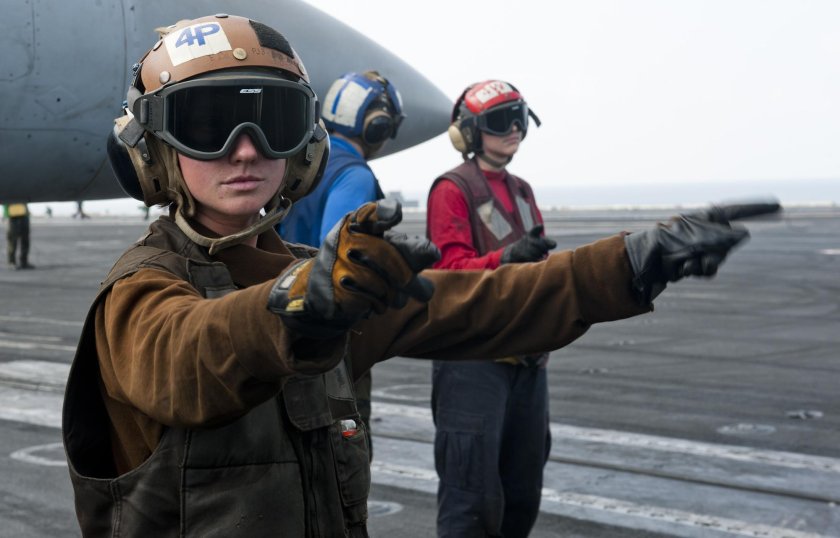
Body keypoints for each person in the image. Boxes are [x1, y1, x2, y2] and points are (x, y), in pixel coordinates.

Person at [61, 14, 761, 537]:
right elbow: (186, 356)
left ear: (303, 146)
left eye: (270, 121)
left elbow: (483, 303)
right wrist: (299, 308)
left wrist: (632, 261)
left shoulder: (333, 287)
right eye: (207, 123)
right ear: (152, 152)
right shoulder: (140, 293)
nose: (244, 150)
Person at [425, 79, 558, 537]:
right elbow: (448, 271)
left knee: (522, 495)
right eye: (501, 121)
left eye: (520, 119)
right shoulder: (451, 188)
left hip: (527, 359)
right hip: (473, 362)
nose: (514, 131)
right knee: (471, 501)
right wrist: (506, 259)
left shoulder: (522, 190)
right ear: (470, 132)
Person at [278, 70, 406, 458]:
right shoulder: (353, 175)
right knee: (345, 448)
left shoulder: (307, 163)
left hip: (286, 319)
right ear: (377, 124)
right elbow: (341, 262)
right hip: (333, 339)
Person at [4, 203, 34, 269]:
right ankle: (12, 262)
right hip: (12, 215)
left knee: (25, 240)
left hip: (24, 214)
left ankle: (24, 262)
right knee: (12, 241)